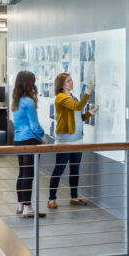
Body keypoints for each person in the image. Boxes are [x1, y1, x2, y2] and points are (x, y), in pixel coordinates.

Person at [48, 72, 91, 209]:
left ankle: (74, 197)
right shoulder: (61, 98)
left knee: (75, 169)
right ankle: (51, 199)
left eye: (71, 80)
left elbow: (79, 116)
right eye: (68, 81)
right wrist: (88, 92)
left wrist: (90, 113)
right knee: (59, 169)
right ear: (61, 85)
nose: (71, 83)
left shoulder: (73, 97)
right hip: (65, 140)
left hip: (77, 140)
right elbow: (77, 107)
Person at [11, 70, 45, 219]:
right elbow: (34, 125)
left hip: (19, 139)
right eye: (33, 81)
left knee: (22, 172)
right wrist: (43, 137)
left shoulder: (16, 100)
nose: (34, 84)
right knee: (28, 174)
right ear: (28, 82)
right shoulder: (29, 101)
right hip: (30, 139)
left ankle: (21, 205)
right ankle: (27, 208)